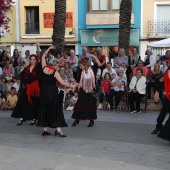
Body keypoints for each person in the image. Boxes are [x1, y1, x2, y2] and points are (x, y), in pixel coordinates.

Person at [36, 45, 77, 137]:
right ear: (55, 64)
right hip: (52, 94)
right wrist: (72, 85)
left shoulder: (44, 68)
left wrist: (50, 48)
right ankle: (58, 130)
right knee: (56, 111)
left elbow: (43, 56)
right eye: (58, 64)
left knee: (46, 110)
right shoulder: (55, 72)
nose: (59, 66)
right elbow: (62, 82)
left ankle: (45, 129)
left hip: (43, 93)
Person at [71, 54, 102, 127]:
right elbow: (78, 81)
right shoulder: (80, 72)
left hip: (91, 90)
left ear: (85, 65)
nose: (80, 67)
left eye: (81, 65)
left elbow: (100, 65)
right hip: (82, 89)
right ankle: (77, 120)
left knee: (91, 105)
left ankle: (91, 121)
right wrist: (72, 87)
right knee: (79, 104)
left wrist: (94, 56)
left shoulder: (92, 69)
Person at [11, 54, 40, 126]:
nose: (32, 61)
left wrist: (39, 48)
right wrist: (11, 77)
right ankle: (21, 118)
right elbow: (20, 75)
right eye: (31, 59)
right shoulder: (27, 68)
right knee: (22, 101)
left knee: (34, 103)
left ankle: (34, 118)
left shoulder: (38, 68)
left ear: (36, 60)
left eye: (34, 59)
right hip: (28, 88)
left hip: (35, 89)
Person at [151, 60, 170, 135]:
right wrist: (157, 92)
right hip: (167, 97)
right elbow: (160, 82)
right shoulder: (167, 71)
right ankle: (158, 127)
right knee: (162, 115)